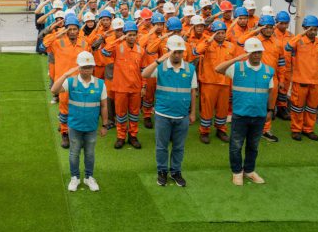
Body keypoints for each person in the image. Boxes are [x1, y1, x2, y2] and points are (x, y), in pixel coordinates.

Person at [215, 38, 274, 186]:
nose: (256, 55)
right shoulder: (237, 67)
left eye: (259, 52)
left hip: (259, 115)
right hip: (240, 115)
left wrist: (270, 110)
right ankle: (237, 172)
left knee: (253, 146)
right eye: (253, 52)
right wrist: (236, 58)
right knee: (236, 146)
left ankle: (249, 171)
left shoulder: (268, 70)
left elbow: (270, 91)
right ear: (247, 53)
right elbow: (218, 69)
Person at [142, 36, 197, 187]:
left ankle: (176, 171)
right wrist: (160, 60)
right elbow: (144, 74)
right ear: (168, 51)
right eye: (174, 52)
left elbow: (193, 91)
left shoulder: (190, 69)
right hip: (163, 115)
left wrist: (192, 113)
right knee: (162, 146)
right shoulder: (161, 67)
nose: (177, 55)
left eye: (180, 52)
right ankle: (162, 171)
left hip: (182, 115)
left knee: (179, 147)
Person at [51, 51, 107, 192]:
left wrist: (105, 125)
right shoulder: (71, 82)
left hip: (91, 127)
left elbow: (104, 106)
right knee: (74, 154)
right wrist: (65, 74)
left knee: (90, 154)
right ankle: (75, 177)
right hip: (75, 126)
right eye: (83, 67)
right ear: (78, 67)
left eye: (89, 67)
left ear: (93, 67)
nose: (86, 70)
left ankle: (89, 177)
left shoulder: (100, 84)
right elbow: (54, 90)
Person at [43, 15, 91, 149]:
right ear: (65, 30)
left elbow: (88, 63)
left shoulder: (84, 43)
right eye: (69, 29)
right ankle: (64, 134)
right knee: (64, 108)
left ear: (78, 30)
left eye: (75, 29)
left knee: (79, 109)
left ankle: (77, 133)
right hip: (64, 83)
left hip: (80, 82)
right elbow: (43, 45)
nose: (72, 32)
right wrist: (58, 34)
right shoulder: (58, 43)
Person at [102, 21, 151, 149]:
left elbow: (143, 70)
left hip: (135, 88)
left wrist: (144, 86)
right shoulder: (117, 47)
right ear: (124, 35)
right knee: (121, 114)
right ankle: (121, 137)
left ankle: (133, 136)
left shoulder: (141, 50)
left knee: (134, 114)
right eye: (129, 34)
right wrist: (119, 39)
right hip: (120, 88)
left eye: (134, 34)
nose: (132, 37)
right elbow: (105, 51)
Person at [237, 15, 286, 142]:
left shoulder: (277, 42)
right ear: (261, 27)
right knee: (253, 103)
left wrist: (281, 80)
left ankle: (265, 130)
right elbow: (240, 41)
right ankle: (250, 128)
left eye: (271, 27)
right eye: (266, 27)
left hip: (272, 79)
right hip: (255, 77)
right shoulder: (254, 40)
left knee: (269, 106)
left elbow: (281, 62)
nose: (269, 30)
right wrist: (255, 31)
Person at [193, 21, 241, 144]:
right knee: (207, 109)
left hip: (225, 82)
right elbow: (196, 52)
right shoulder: (206, 44)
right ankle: (204, 131)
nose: (220, 35)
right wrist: (208, 41)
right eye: (217, 33)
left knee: (223, 108)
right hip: (209, 82)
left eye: (222, 33)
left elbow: (235, 64)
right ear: (213, 33)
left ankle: (221, 130)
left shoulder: (231, 46)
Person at [285, 15, 318, 141]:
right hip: (300, 81)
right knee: (297, 107)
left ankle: (308, 129)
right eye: (310, 29)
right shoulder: (298, 41)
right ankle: (296, 130)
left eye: (315, 29)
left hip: (316, 82)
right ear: (305, 28)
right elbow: (287, 47)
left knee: (312, 108)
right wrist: (301, 34)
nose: (313, 32)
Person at [273, 11, 294, 120]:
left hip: (287, 67)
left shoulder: (291, 36)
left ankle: (282, 108)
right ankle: (271, 108)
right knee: (272, 88)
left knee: (284, 88)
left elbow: (295, 52)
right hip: (273, 66)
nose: (284, 26)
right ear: (276, 22)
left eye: (286, 23)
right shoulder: (271, 33)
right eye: (282, 23)